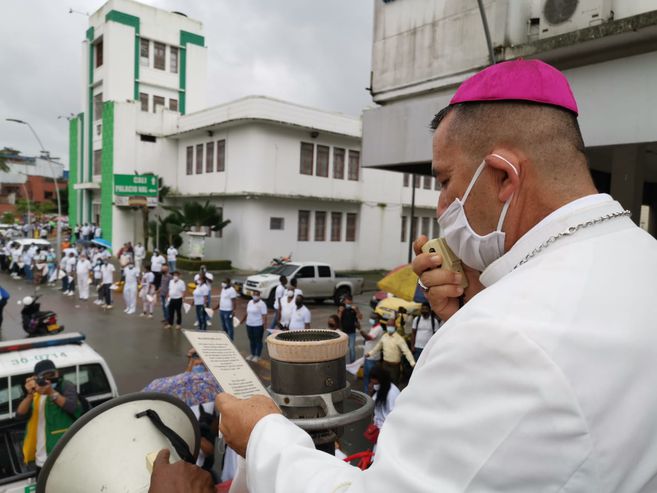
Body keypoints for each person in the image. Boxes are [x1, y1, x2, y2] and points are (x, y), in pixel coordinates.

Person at [158, 59, 657, 493]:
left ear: (504, 176)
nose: (442, 206)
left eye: (445, 181)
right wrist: (470, 307)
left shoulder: (501, 334)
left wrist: (264, 434)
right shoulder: (641, 257)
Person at [16, 359, 81, 478]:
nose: (48, 380)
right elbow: (20, 415)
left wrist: (51, 392)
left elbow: (72, 407)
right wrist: (30, 394)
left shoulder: (65, 385)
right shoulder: (35, 394)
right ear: (36, 378)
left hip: (64, 457)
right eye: (44, 377)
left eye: (52, 375)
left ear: (57, 373)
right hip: (42, 459)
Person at [365, 319, 415, 386]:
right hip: (385, 365)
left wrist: (412, 363)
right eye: (388, 325)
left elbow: (406, 351)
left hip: (395, 367)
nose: (389, 327)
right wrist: (370, 353)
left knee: (394, 385)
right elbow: (377, 347)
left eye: (391, 325)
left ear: (395, 327)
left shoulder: (399, 339)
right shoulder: (384, 336)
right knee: (384, 384)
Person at [366, 366, 400, 450]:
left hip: (387, 431)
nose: (373, 386)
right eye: (372, 383)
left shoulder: (392, 393)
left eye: (375, 384)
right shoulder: (381, 389)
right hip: (379, 429)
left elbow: (394, 415)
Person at [360, 313, 385, 392]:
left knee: (371, 378)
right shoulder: (374, 327)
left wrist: (360, 330)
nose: (371, 319)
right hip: (369, 356)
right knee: (366, 376)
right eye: (371, 317)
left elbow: (368, 338)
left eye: (373, 318)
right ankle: (366, 393)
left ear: (377, 319)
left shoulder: (378, 328)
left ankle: (370, 395)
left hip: (372, 357)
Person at [242, 290, 268, 362]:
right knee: (251, 340)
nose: (255, 296)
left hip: (258, 325)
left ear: (259, 296)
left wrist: (264, 326)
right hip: (249, 324)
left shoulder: (262, 304)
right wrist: (243, 320)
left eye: (257, 294)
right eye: (254, 294)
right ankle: (252, 354)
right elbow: (247, 313)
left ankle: (258, 355)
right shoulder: (250, 302)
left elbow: (264, 316)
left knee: (258, 341)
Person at [337, 295, 362, 363]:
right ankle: (342, 363)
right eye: (347, 302)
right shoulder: (341, 308)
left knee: (352, 348)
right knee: (342, 349)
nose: (349, 303)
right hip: (343, 332)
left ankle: (352, 363)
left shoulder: (354, 309)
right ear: (344, 301)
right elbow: (337, 319)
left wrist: (357, 310)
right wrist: (340, 312)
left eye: (350, 302)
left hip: (352, 332)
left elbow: (360, 317)